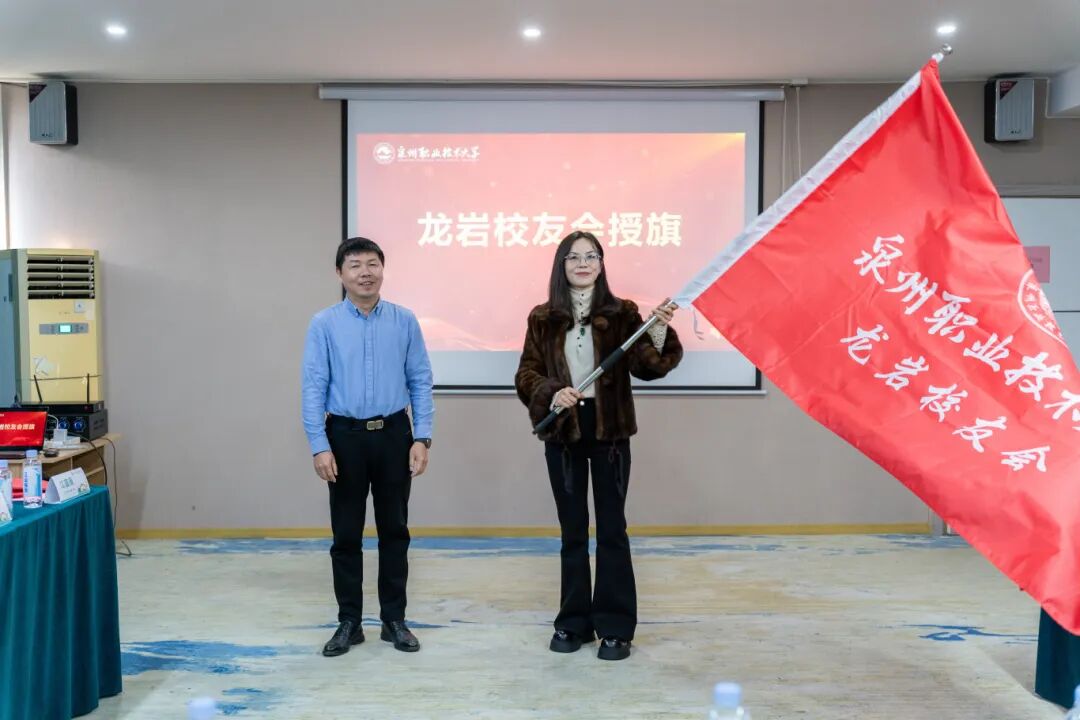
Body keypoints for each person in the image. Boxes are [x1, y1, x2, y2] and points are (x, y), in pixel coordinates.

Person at [514, 230, 682, 661]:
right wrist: (553, 391)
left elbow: (649, 367)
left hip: (611, 433)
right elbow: (526, 374)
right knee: (572, 531)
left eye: (591, 256)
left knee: (611, 529)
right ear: (561, 265)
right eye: (574, 257)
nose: (583, 264)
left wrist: (658, 328)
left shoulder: (623, 313)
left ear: (602, 264)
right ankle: (573, 623)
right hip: (564, 430)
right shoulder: (542, 317)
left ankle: (615, 627)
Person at [302, 236, 434, 656]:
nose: (365, 272)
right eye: (355, 265)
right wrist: (319, 445)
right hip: (344, 438)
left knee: (395, 531)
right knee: (346, 534)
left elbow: (420, 380)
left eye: (372, 264)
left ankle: (394, 620)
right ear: (339, 273)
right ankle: (349, 622)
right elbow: (313, 386)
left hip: (395, 434)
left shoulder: (404, 320)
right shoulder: (324, 324)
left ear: (382, 269)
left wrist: (422, 437)